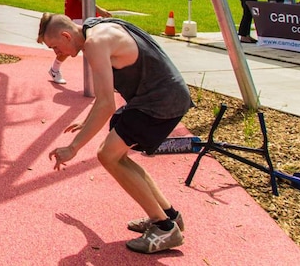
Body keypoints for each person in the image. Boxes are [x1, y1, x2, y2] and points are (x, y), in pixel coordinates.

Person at [40, 13, 192, 254]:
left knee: (107, 155)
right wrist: (87, 122)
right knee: (118, 156)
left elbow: (106, 104)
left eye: (55, 46)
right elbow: (103, 96)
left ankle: (165, 228)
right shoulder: (96, 27)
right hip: (159, 96)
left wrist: (73, 148)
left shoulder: (94, 43)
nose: (57, 53)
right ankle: (169, 216)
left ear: (66, 35)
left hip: (159, 101)